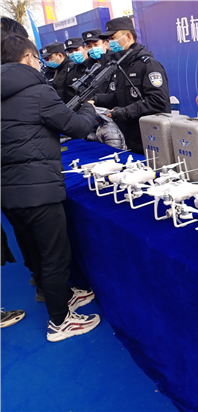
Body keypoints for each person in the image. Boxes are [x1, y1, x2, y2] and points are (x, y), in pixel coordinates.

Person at [1, 34, 101, 341]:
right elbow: (77, 127)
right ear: (28, 58)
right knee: (55, 255)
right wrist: (88, 108)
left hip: (8, 192)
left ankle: (63, 295)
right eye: (37, 58)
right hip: (39, 190)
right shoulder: (37, 91)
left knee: (35, 248)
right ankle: (60, 321)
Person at [93, 17, 170, 154]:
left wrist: (125, 112)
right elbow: (120, 97)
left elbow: (158, 101)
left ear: (128, 36)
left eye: (113, 38)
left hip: (151, 138)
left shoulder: (148, 65)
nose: (110, 43)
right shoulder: (121, 65)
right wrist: (96, 100)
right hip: (129, 137)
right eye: (109, 39)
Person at [82, 29, 116, 94]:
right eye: (89, 46)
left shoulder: (115, 59)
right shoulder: (86, 66)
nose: (93, 48)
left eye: (96, 45)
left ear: (105, 44)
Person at [65, 37, 95, 102]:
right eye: (70, 52)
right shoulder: (71, 71)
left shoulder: (95, 65)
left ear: (85, 49)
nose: (74, 54)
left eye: (77, 50)